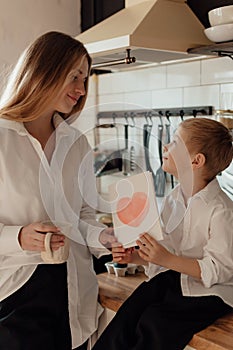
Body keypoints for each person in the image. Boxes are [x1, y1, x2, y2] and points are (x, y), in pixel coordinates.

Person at [0, 31, 115, 350]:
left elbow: (83, 217)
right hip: (15, 297)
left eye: (85, 79)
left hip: (74, 299)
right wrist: (19, 237)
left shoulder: (76, 144)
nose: (81, 90)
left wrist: (104, 238)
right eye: (74, 77)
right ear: (43, 71)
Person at [92, 117, 233, 350]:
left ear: (195, 161)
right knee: (128, 316)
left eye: (175, 142)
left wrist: (165, 259)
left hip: (211, 293)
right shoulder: (173, 199)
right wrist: (135, 257)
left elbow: (218, 269)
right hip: (173, 280)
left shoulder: (222, 210)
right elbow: (164, 251)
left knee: (155, 324)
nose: (165, 146)